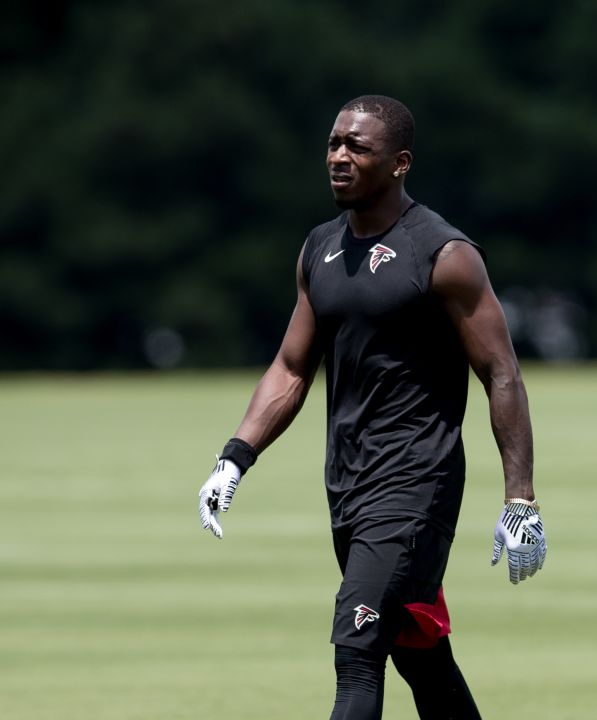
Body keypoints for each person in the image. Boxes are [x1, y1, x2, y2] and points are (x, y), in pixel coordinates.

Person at [195, 94, 547, 720]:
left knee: (356, 653)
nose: (338, 156)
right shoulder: (318, 249)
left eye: (357, 147)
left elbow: (501, 373)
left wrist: (519, 497)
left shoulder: (445, 255)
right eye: (334, 143)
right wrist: (235, 457)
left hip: (416, 483)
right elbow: (292, 367)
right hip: (348, 484)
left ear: (400, 162)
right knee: (418, 649)